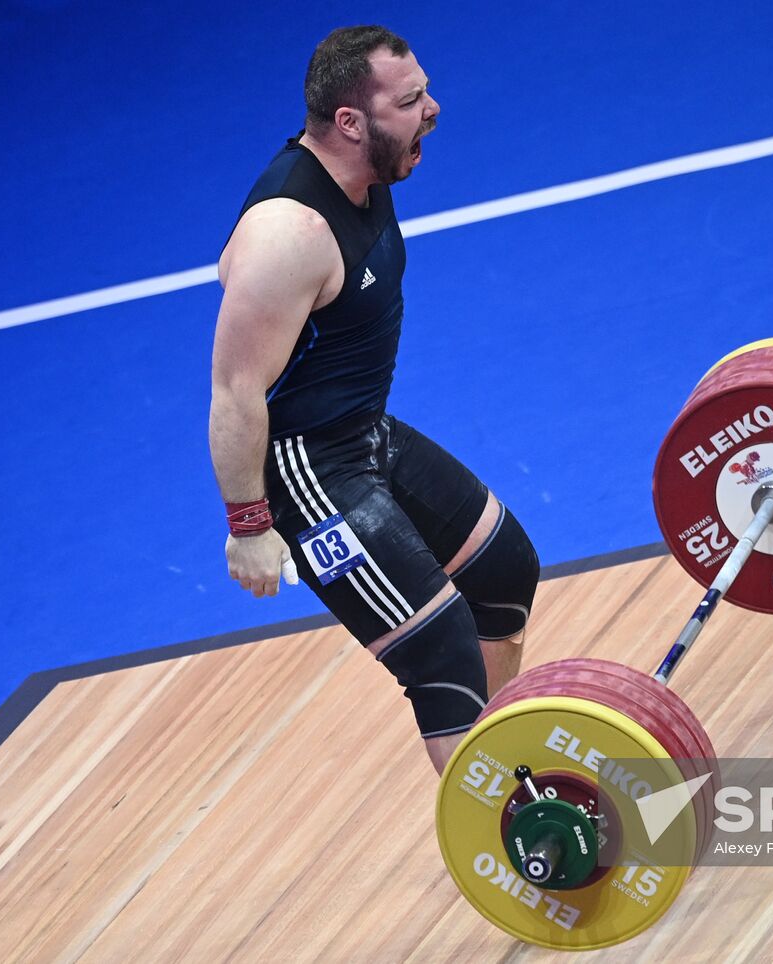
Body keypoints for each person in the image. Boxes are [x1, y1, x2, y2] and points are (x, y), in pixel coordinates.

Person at [208, 25, 538, 772]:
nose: (435, 109)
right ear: (350, 123)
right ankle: (512, 834)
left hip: (363, 433)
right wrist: (250, 525)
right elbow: (234, 392)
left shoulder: (369, 170)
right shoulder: (288, 236)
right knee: (442, 651)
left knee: (503, 570)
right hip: (305, 471)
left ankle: (497, 775)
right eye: (412, 99)